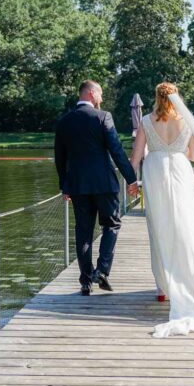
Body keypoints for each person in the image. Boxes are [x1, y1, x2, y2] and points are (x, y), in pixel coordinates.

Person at [130, 82, 194, 337]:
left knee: (159, 228)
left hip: (154, 173)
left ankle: (163, 288)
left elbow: (136, 157)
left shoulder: (145, 120)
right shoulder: (188, 120)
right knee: (187, 227)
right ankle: (190, 278)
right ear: (177, 97)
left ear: (156, 97)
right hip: (180, 171)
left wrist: (133, 182)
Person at [54, 80, 138, 296]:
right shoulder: (103, 117)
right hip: (104, 184)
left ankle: (85, 281)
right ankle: (101, 270)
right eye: (100, 94)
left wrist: (65, 186)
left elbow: (59, 158)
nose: (101, 99)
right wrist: (131, 178)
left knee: (83, 232)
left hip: (78, 186)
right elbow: (117, 150)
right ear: (91, 93)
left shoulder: (64, 121)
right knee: (111, 225)